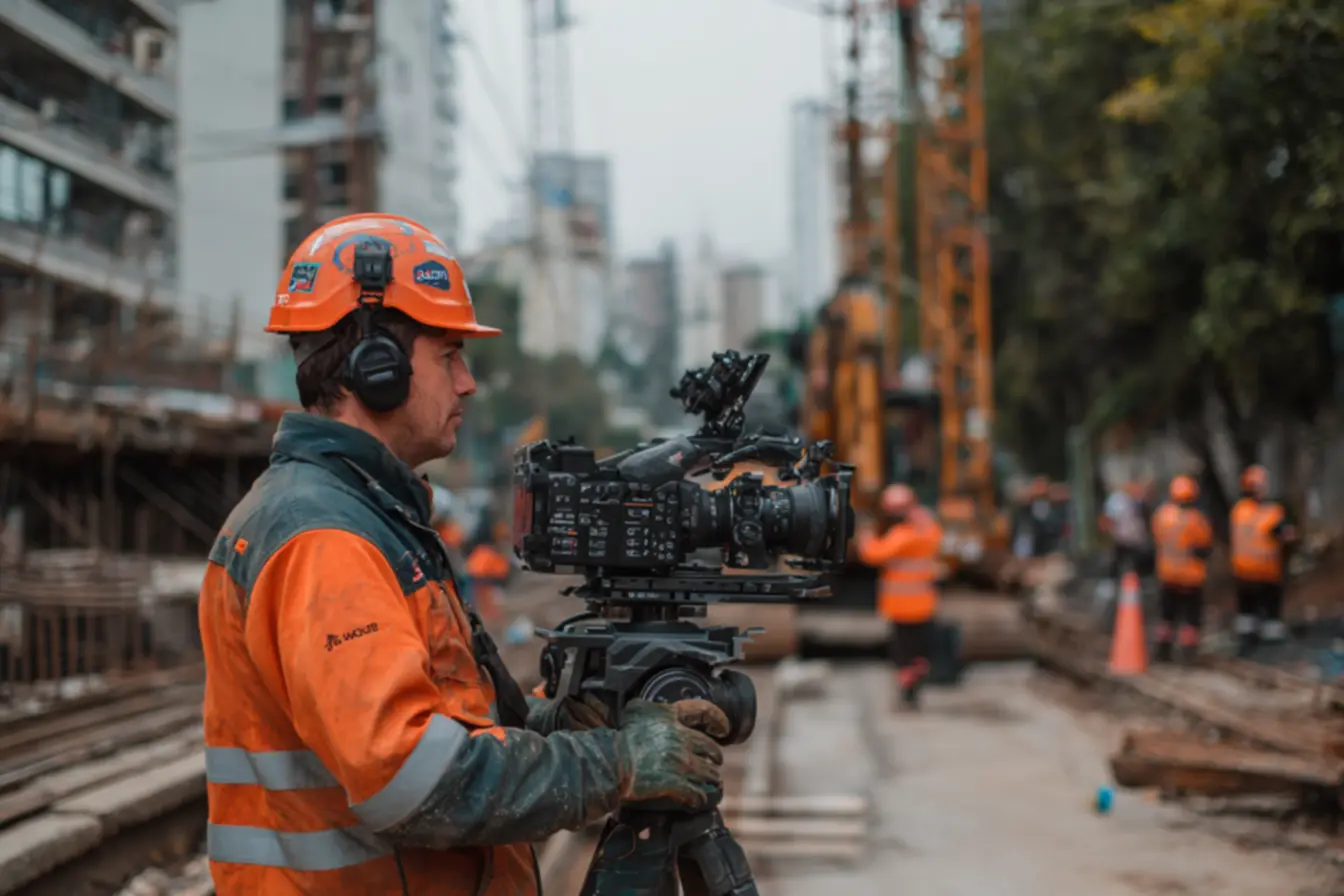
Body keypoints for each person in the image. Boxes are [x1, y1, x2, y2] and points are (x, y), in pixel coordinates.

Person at [197, 213, 728, 895]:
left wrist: (555, 725)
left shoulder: (367, 514)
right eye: (449, 354)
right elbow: (409, 776)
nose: (468, 381)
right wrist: (611, 764)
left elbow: (440, 718)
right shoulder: (322, 537)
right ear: (375, 366)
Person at [858, 484, 944, 710]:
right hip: (924, 604)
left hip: (902, 607)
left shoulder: (903, 536)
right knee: (917, 652)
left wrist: (865, 536)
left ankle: (908, 694)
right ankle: (913, 688)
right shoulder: (929, 532)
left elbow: (873, 554)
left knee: (903, 654)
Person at [1230, 464, 1297, 656]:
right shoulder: (1271, 512)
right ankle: (1271, 650)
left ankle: (1245, 646)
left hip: (1242, 572)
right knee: (1271, 614)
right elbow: (1286, 534)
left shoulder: (1238, 511)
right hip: (1266, 570)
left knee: (1246, 613)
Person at [1150, 475, 1213, 663]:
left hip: (1167, 573)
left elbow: (1156, 539)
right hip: (1191, 577)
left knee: (1167, 614)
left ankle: (1163, 649)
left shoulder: (1161, 515)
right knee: (1191, 615)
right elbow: (1204, 548)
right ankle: (1188, 652)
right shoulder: (1197, 519)